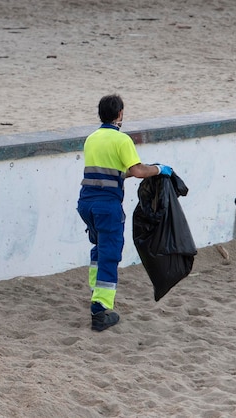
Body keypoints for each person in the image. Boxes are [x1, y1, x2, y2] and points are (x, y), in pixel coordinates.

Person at [77, 94, 173, 331]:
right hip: (107, 206)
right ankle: (100, 311)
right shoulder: (122, 140)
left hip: (86, 203)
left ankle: (95, 292)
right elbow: (138, 171)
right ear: (120, 114)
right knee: (110, 253)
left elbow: (116, 172)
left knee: (99, 247)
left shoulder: (92, 139)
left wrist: (146, 170)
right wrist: (159, 169)